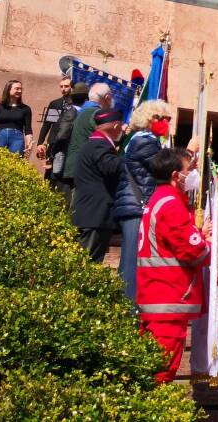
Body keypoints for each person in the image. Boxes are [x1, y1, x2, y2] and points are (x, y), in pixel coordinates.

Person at [137, 147, 212, 384]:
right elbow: (194, 250)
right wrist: (207, 242)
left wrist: (198, 234)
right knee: (162, 369)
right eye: (189, 170)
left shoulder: (161, 199)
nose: (193, 175)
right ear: (175, 175)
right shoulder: (170, 203)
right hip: (167, 293)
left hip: (158, 292)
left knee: (155, 362)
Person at [113, 100, 174, 303]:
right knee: (131, 261)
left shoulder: (146, 140)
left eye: (168, 119)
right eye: (163, 118)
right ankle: (127, 309)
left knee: (135, 260)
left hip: (136, 206)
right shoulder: (144, 141)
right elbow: (164, 168)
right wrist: (189, 153)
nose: (166, 122)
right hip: (135, 207)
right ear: (150, 119)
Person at [71, 109, 125, 263]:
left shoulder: (93, 144)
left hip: (91, 215)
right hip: (95, 217)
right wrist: (133, 158)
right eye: (120, 126)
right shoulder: (99, 146)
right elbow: (113, 167)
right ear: (116, 126)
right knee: (87, 265)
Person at [62, 82, 114, 183]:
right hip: (86, 171)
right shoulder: (96, 114)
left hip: (75, 168)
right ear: (107, 97)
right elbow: (109, 140)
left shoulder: (82, 111)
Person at [49, 83, 90, 205]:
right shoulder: (74, 113)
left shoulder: (77, 112)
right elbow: (61, 135)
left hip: (69, 158)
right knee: (63, 194)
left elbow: (60, 135)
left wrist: (52, 150)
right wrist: (53, 152)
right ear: (86, 98)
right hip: (66, 158)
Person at [35, 77, 74, 176]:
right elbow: (47, 124)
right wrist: (40, 142)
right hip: (53, 142)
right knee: (49, 174)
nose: (63, 89)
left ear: (72, 87)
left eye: (66, 86)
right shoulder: (56, 104)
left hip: (68, 143)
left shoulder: (76, 105)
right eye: (61, 86)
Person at [0, 80, 33, 156]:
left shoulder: (26, 109)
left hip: (17, 139)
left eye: (21, 89)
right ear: (8, 89)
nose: (20, 91)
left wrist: (29, 144)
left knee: (15, 161)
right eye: (17, 88)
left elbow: (28, 129)